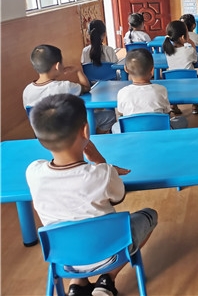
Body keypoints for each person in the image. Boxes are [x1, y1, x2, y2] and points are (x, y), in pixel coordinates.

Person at [26, 93, 157, 296]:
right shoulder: (102, 174)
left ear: (40, 139)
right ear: (86, 130)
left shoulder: (33, 172)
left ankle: (77, 284)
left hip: (64, 259)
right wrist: (101, 162)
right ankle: (107, 279)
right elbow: (118, 196)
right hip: (111, 253)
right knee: (150, 215)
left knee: (72, 229)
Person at [23, 44, 115, 134]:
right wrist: (79, 70)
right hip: (69, 132)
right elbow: (86, 88)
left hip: (43, 134)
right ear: (57, 66)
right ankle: (92, 138)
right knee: (110, 116)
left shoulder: (27, 91)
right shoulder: (65, 87)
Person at [113, 49, 187, 132]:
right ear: (152, 70)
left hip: (133, 132)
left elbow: (121, 112)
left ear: (126, 69)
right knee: (182, 120)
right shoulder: (161, 89)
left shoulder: (122, 92)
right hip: (158, 130)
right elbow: (167, 112)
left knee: (115, 126)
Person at [162, 20, 198, 115]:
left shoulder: (168, 51)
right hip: (190, 84)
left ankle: (173, 105)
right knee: (197, 78)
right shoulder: (189, 50)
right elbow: (195, 60)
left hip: (173, 83)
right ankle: (195, 106)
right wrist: (191, 43)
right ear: (183, 37)